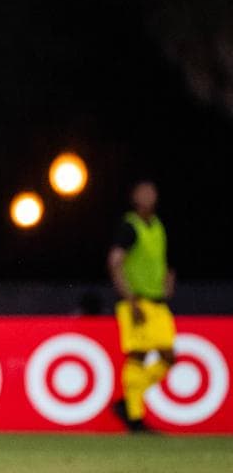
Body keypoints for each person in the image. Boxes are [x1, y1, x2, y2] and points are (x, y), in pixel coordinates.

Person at [109, 180, 176, 433]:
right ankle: (135, 418)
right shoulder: (129, 227)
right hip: (136, 301)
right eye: (143, 191)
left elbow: (165, 260)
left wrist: (169, 281)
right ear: (134, 197)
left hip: (158, 301)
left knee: (169, 357)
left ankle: (128, 402)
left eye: (152, 191)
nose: (149, 195)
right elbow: (114, 261)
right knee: (138, 355)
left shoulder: (158, 226)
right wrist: (130, 299)